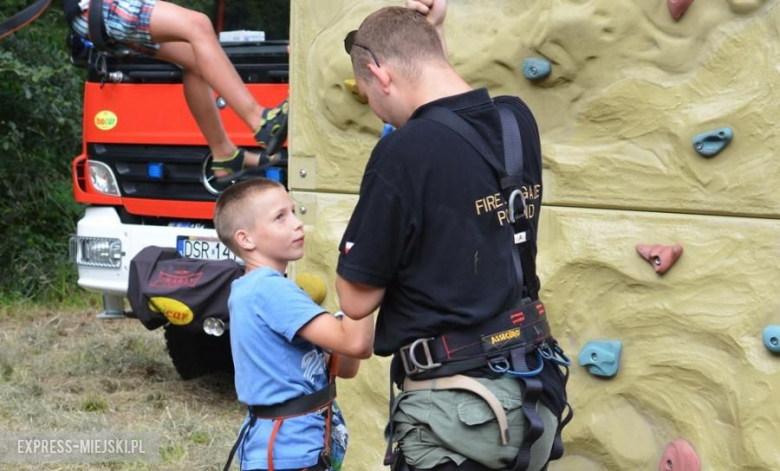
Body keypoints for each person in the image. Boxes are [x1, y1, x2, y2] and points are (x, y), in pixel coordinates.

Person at [335, 2, 571, 471]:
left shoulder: (402, 152)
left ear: (380, 74)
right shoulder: (514, 122)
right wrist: (431, 29)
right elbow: (452, 108)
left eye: (370, 95)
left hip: (459, 415)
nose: (379, 111)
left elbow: (356, 300)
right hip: (531, 392)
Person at [214, 178, 374, 471]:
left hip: (295, 449)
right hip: (289, 453)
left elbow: (346, 366)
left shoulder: (262, 289)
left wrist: (348, 317)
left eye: (293, 211)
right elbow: (358, 344)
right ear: (246, 239)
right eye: (280, 217)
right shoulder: (269, 290)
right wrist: (364, 272)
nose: (297, 224)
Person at [61, 0, 288, 183]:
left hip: (97, 13)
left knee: (195, 58)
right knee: (197, 24)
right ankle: (260, 121)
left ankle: (223, 153)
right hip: (97, 6)